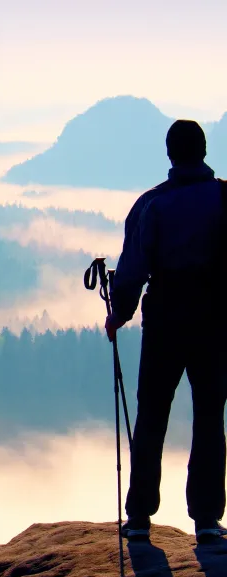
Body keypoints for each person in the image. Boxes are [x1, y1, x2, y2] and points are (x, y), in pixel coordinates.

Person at [106, 120, 227, 542]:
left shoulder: (152, 205)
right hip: (215, 320)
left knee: (152, 412)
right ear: (205, 150)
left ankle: (140, 515)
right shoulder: (224, 198)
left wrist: (118, 312)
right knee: (210, 416)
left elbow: (135, 266)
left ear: (170, 154)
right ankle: (208, 519)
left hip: (165, 319)